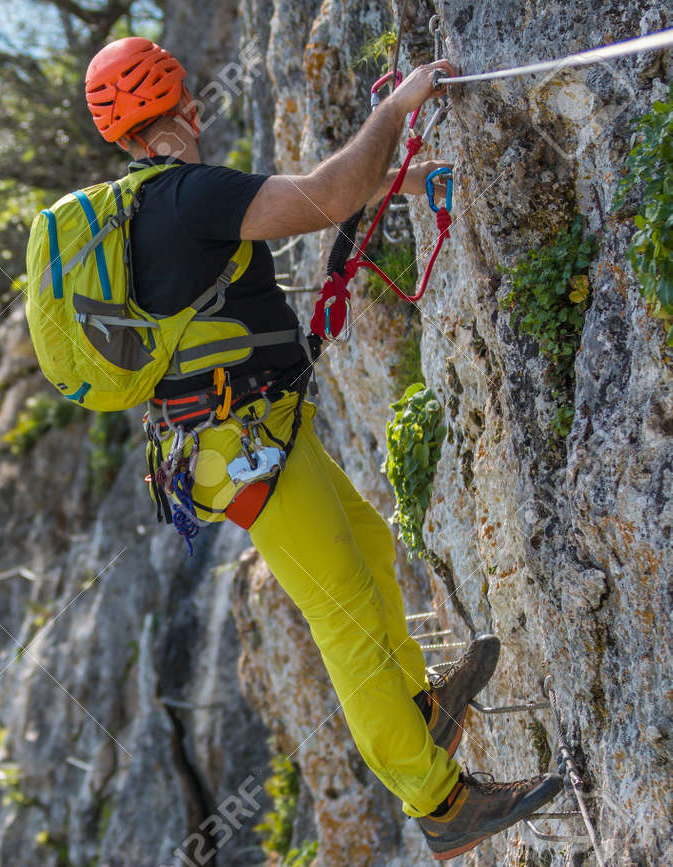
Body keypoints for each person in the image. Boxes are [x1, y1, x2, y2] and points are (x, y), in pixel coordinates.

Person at [82, 37, 563, 860]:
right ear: (183, 107)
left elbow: (311, 201)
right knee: (342, 618)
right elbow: (325, 194)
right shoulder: (189, 195)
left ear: (120, 135)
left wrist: (405, 179)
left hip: (247, 436)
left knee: (370, 553)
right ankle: (439, 800)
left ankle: (418, 709)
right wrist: (398, 105)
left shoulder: (148, 206)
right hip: (243, 444)